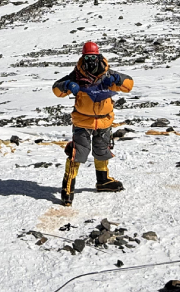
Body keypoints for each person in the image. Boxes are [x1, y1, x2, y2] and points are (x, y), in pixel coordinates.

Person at [52, 41, 134, 206]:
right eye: (87, 57)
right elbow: (57, 89)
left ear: (99, 57)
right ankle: (67, 188)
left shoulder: (107, 73)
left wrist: (119, 80)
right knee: (78, 153)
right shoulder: (76, 75)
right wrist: (67, 85)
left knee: (102, 150)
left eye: (93, 57)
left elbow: (128, 85)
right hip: (82, 120)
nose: (90, 61)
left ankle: (103, 181)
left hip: (104, 120)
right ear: (83, 57)